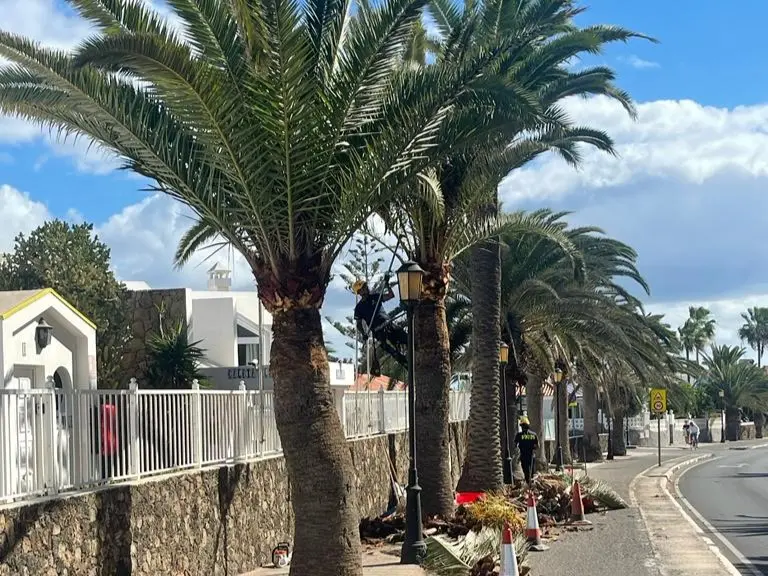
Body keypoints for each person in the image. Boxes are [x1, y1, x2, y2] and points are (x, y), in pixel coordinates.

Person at [352, 277, 407, 374]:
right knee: (393, 351)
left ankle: (415, 355)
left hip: (389, 325)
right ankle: (406, 363)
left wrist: (387, 285)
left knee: (407, 339)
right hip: (379, 332)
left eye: (366, 286)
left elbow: (391, 295)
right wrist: (364, 334)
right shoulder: (359, 308)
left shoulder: (375, 297)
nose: (367, 288)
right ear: (359, 292)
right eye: (364, 287)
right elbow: (359, 324)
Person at [514, 416, 539, 485]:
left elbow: (515, 445)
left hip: (523, 455)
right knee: (532, 471)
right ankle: (531, 483)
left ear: (521, 426)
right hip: (531, 456)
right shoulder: (533, 435)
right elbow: (537, 446)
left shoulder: (519, 435)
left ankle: (528, 483)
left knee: (526, 471)